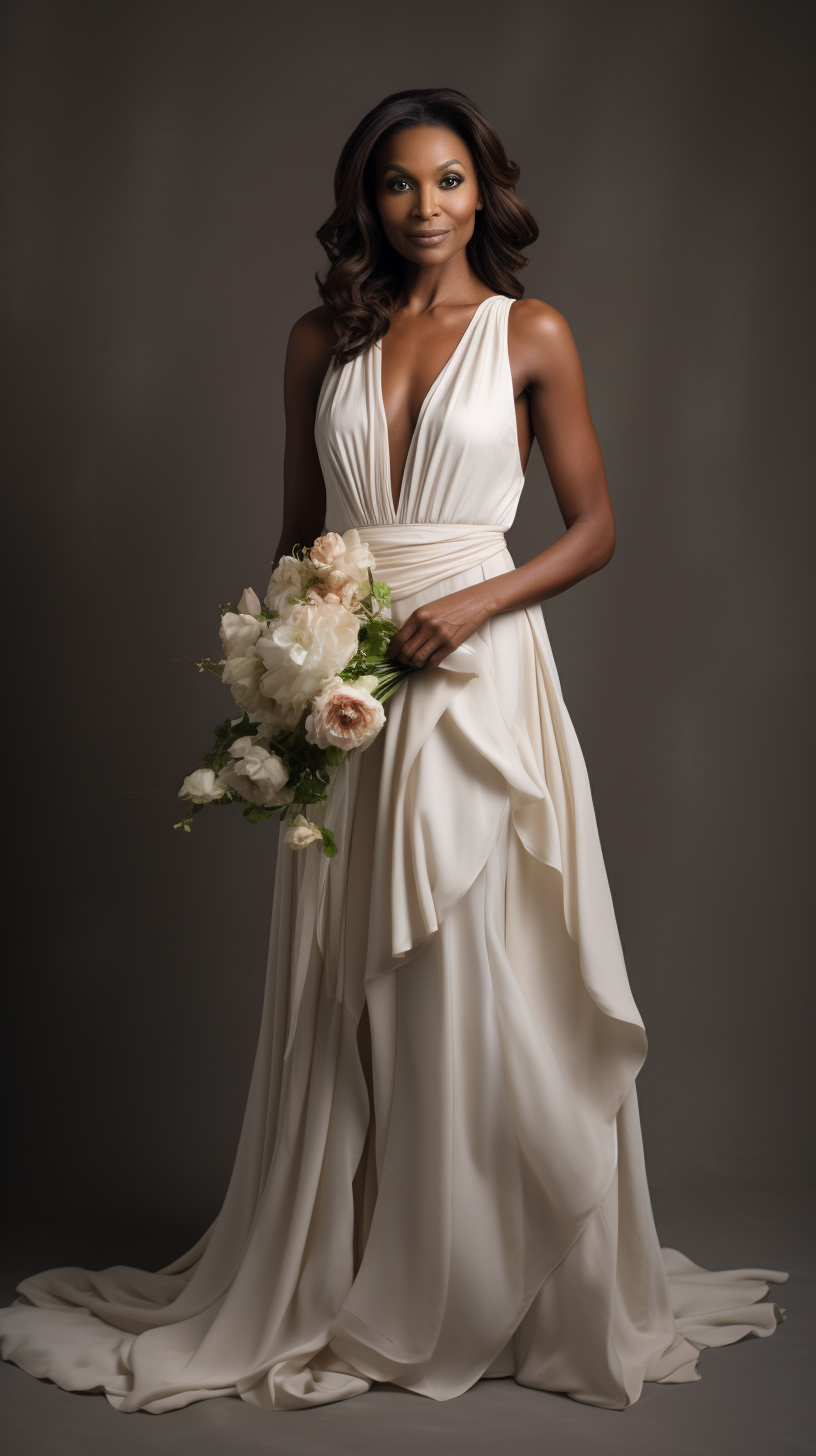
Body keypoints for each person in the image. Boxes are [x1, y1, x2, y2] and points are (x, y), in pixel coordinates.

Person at [0, 86, 787, 1414]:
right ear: (365, 201)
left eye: (449, 180)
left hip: (481, 671)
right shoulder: (321, 339)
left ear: (488, 190)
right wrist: (299, 666)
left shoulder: (533, 333)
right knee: (360, 978)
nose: (426, 207)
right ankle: (368, 1265)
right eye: (398, 185)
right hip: (352, 679)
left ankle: (505, 1280)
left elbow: (593, 527)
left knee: (488, 966)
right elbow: (300, 532)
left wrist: (477, 601)